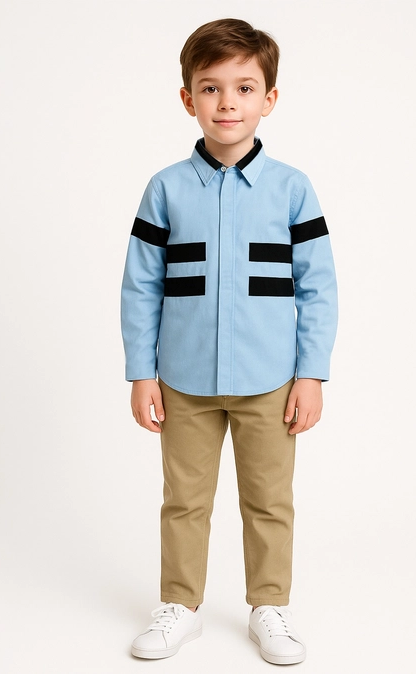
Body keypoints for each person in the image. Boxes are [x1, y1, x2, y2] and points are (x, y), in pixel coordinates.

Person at [121, 17, 338, 666]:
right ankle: (180, 607)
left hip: (271, 380)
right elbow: (141, 286)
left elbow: (318, 288)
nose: (227, 103)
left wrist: (311, 374)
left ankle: (269, 606)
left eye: (244, 88)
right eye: (210, 88)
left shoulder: (292, 189)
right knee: (183, 501)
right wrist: (141, 371)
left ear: (269, 98)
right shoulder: (165, 189)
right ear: (187, 98)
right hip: (182, 380)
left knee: (269, 501)